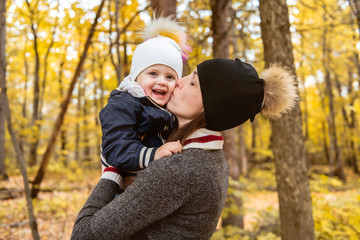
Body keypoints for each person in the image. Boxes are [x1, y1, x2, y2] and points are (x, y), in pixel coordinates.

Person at [71, 58, 298, 239]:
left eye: (192, 82)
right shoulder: (207, 157)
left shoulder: (179, 168)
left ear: (209, 108)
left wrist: (112, 172)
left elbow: (83, 235)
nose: (179, 80)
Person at [99, 17, 190, 178]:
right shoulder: (124, 104)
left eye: (170, 77)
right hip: (122, 187)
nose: (161, 81)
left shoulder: (168, 108)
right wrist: (154, 153)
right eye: (153, 73)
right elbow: (117, 148)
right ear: (136, 77)